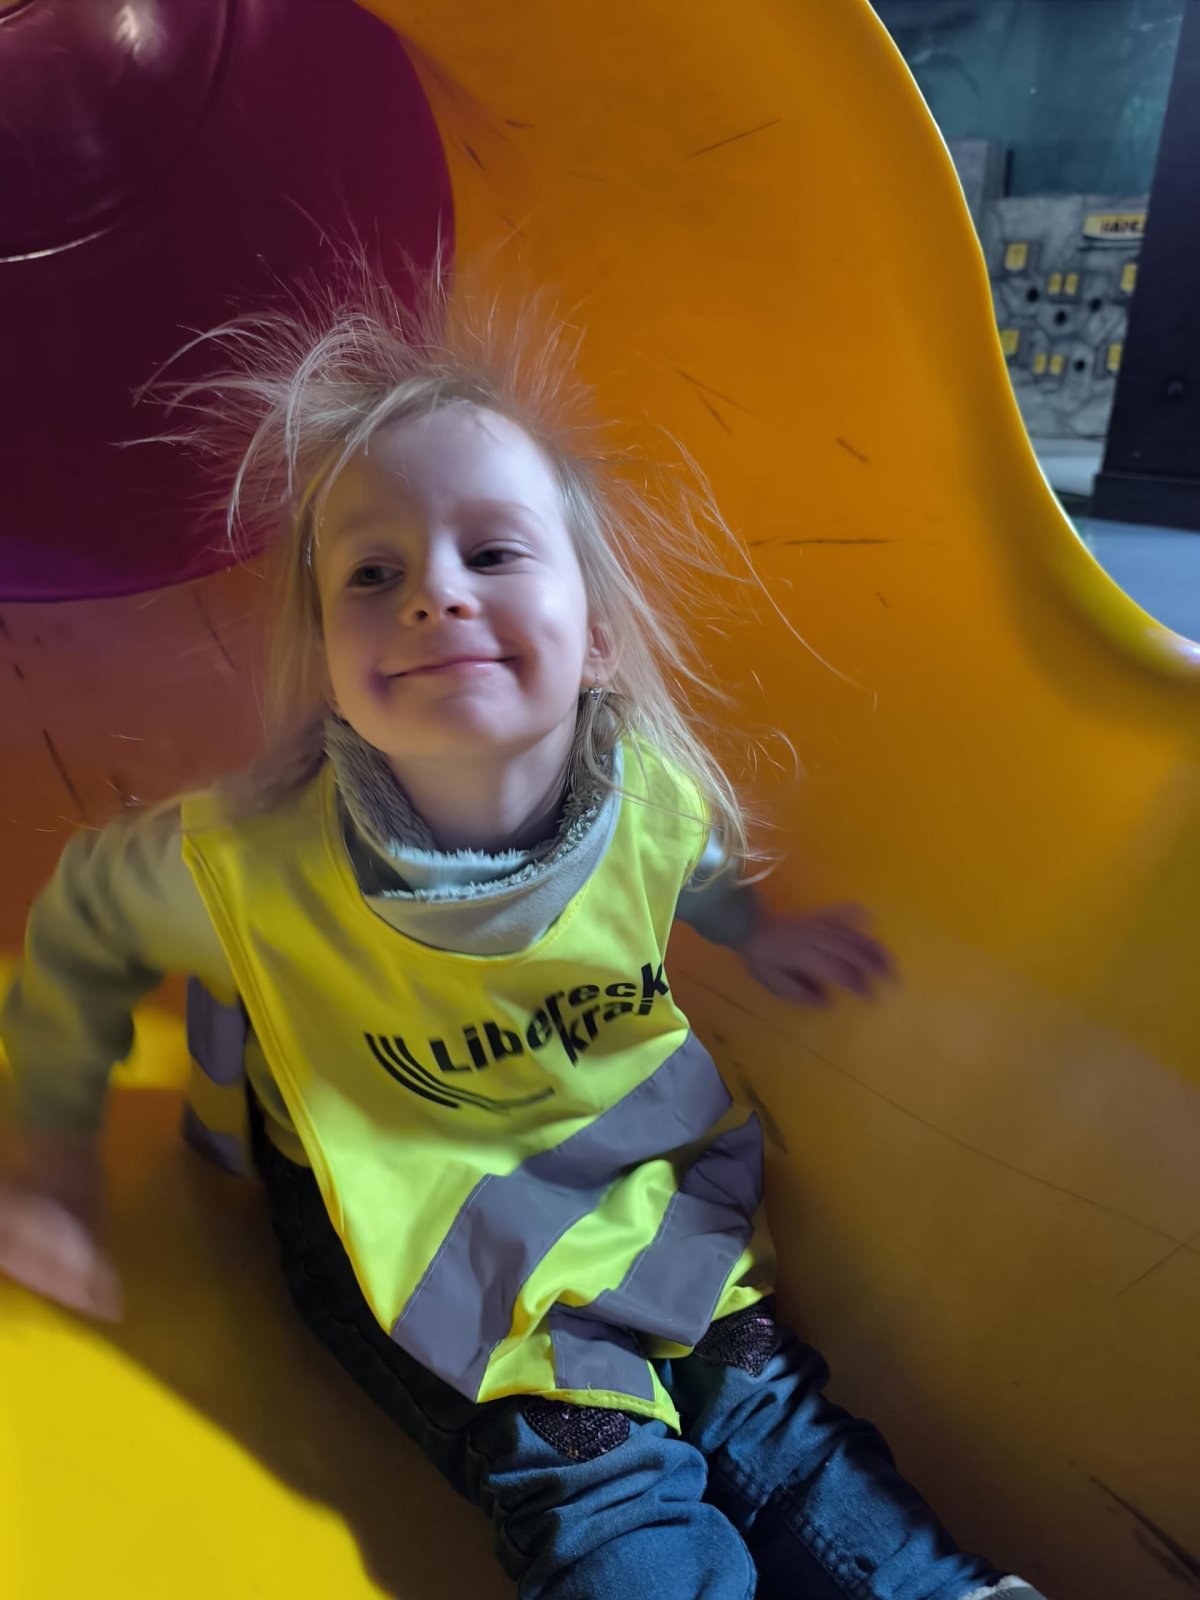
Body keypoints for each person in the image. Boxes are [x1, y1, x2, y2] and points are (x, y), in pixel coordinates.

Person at [0, 280, 1047, 1600]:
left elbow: (695, 868)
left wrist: (759, 933)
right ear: (330, 668)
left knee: (763, 1402)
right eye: (373, 574)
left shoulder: (647, 795)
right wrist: (50, 1155)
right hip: (403, 1213)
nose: (434, 594)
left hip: (628, 1180)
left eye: (491, 553)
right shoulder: (250, 866)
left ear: (598, 636)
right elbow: (85, 915)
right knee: (587, 1460)